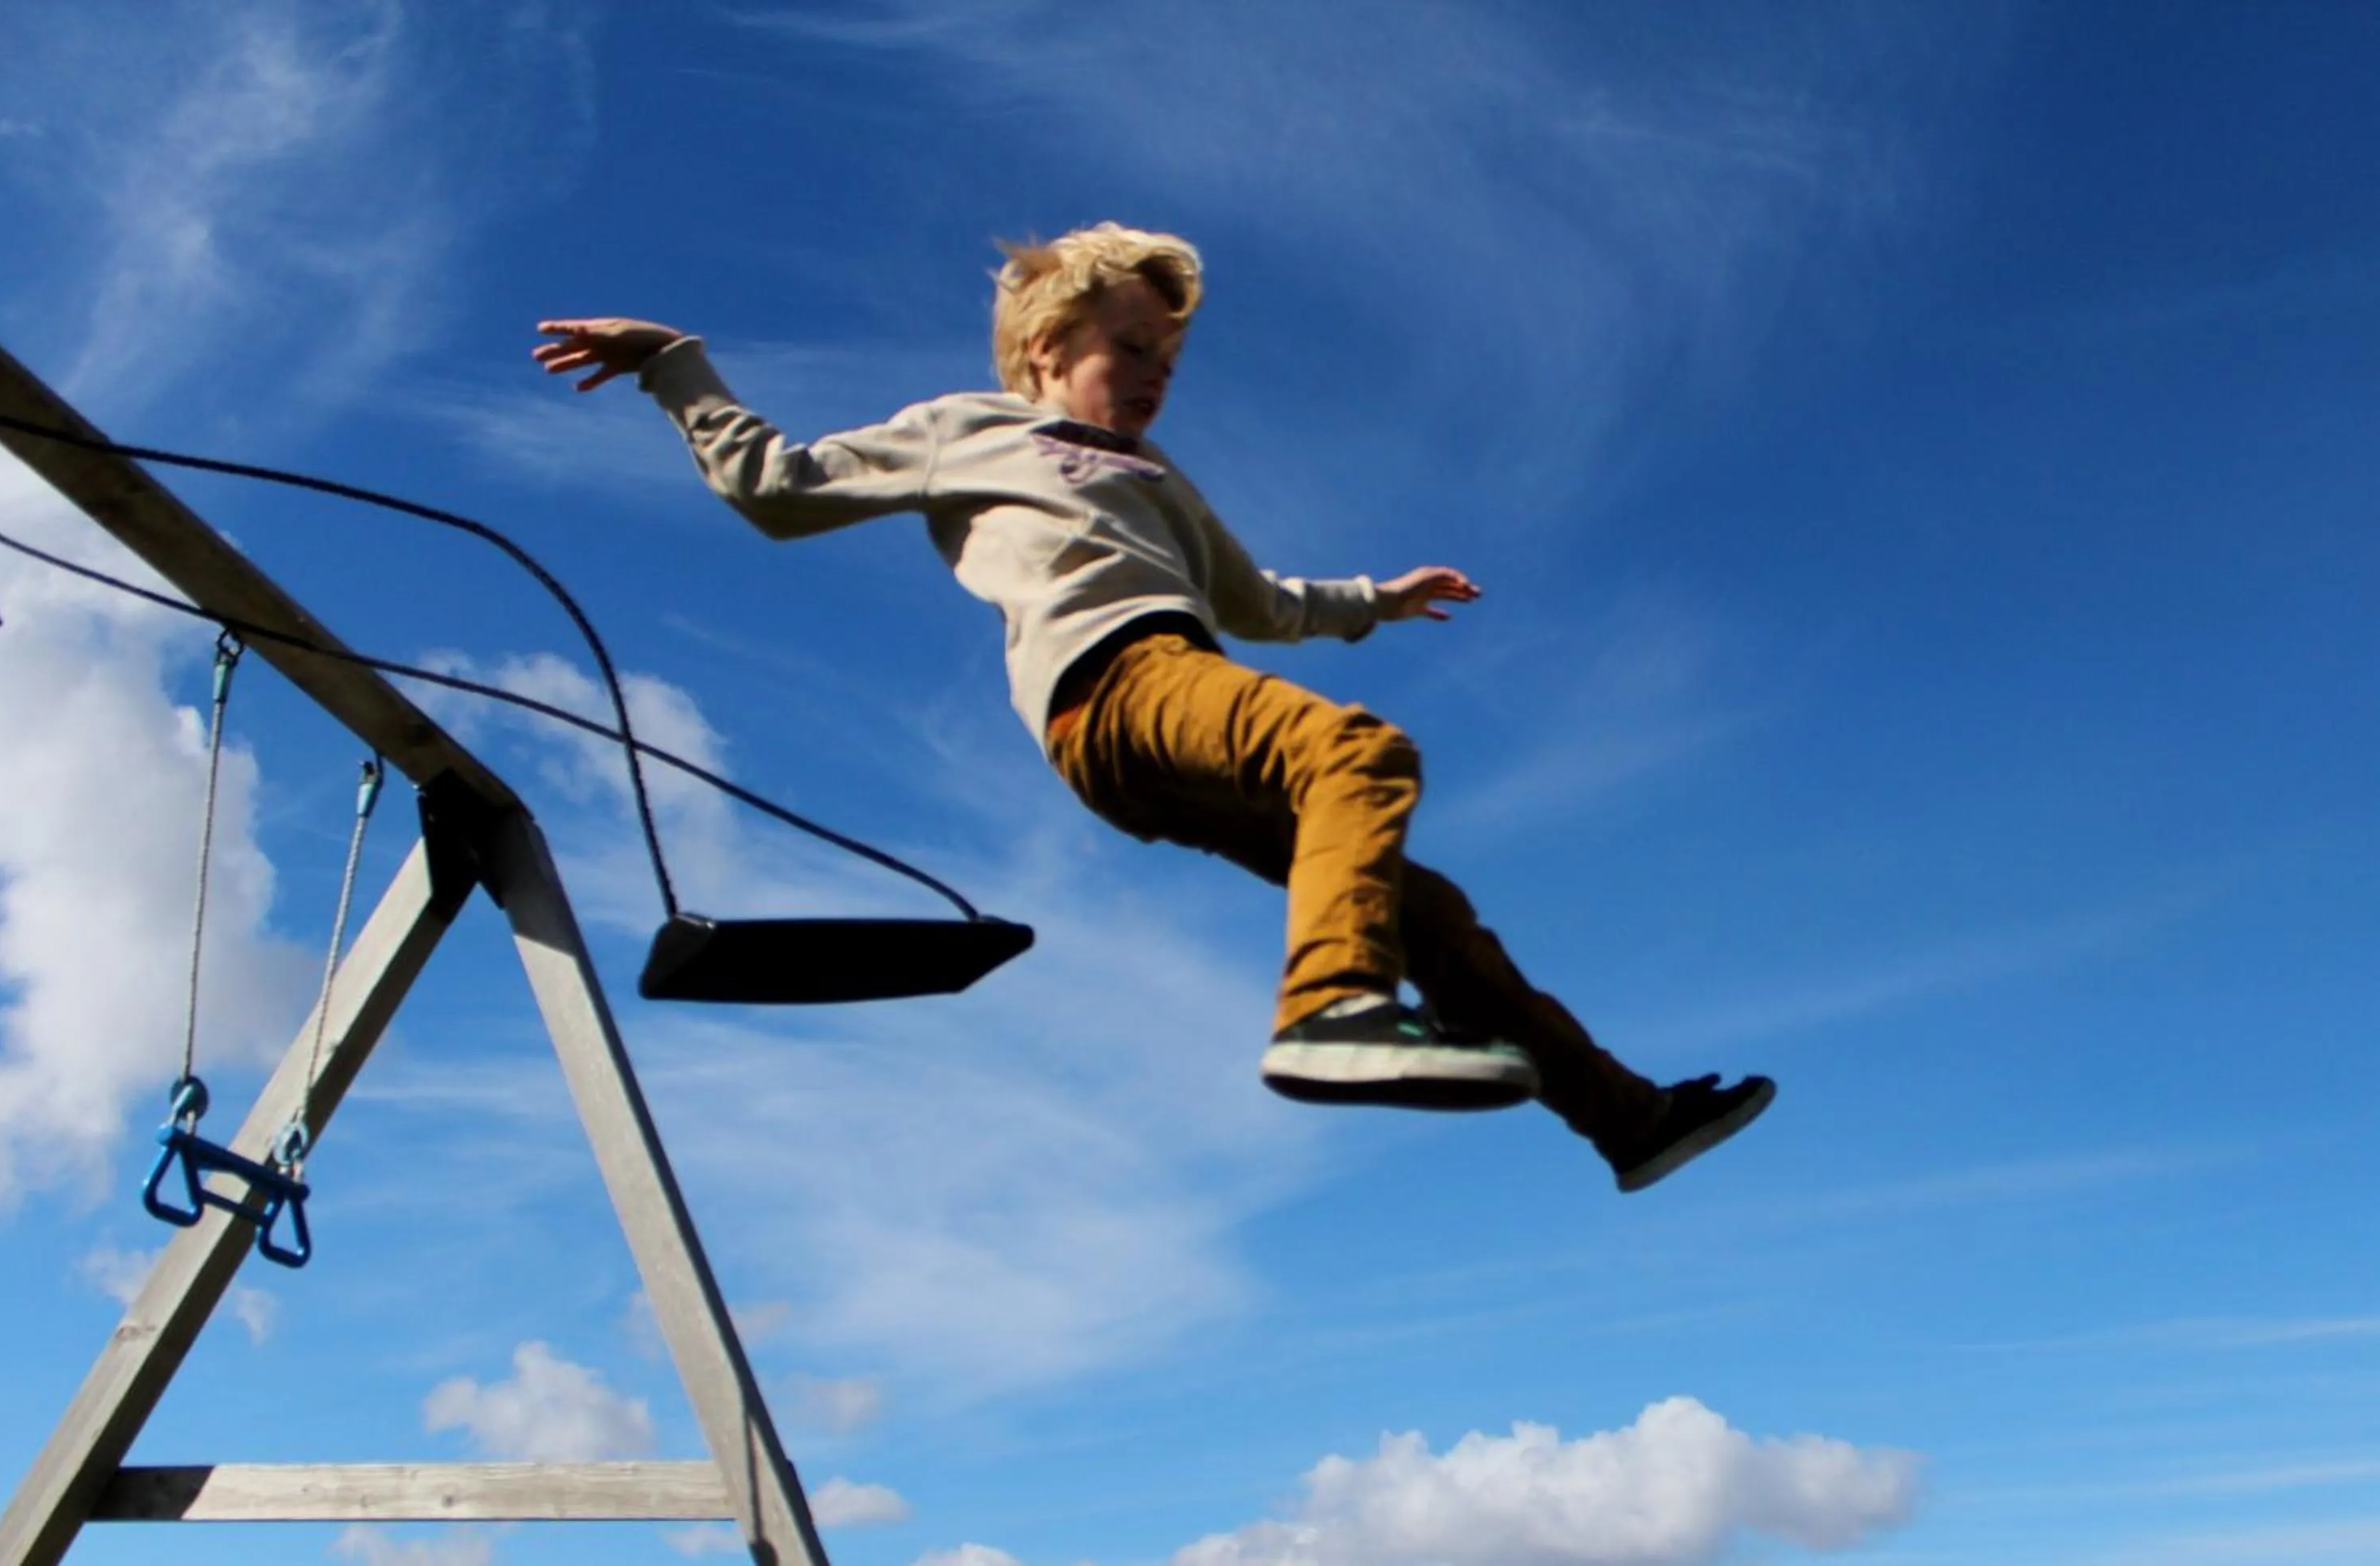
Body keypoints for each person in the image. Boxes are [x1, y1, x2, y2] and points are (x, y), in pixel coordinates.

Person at [534, 222, 1772, 1192]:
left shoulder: (1161, 478)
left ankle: (1627, 1120)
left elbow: (1257, 599)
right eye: (1130, 349)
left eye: (1169, 364)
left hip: (1173, 703)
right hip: (1110, 687)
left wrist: (1378, 600)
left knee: (1425, 910)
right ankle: (1331, 1010)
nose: (1154, 379)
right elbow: (780, 487)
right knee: (1356, 751)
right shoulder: (975, 429)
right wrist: (675, 367)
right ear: (1046, 350)